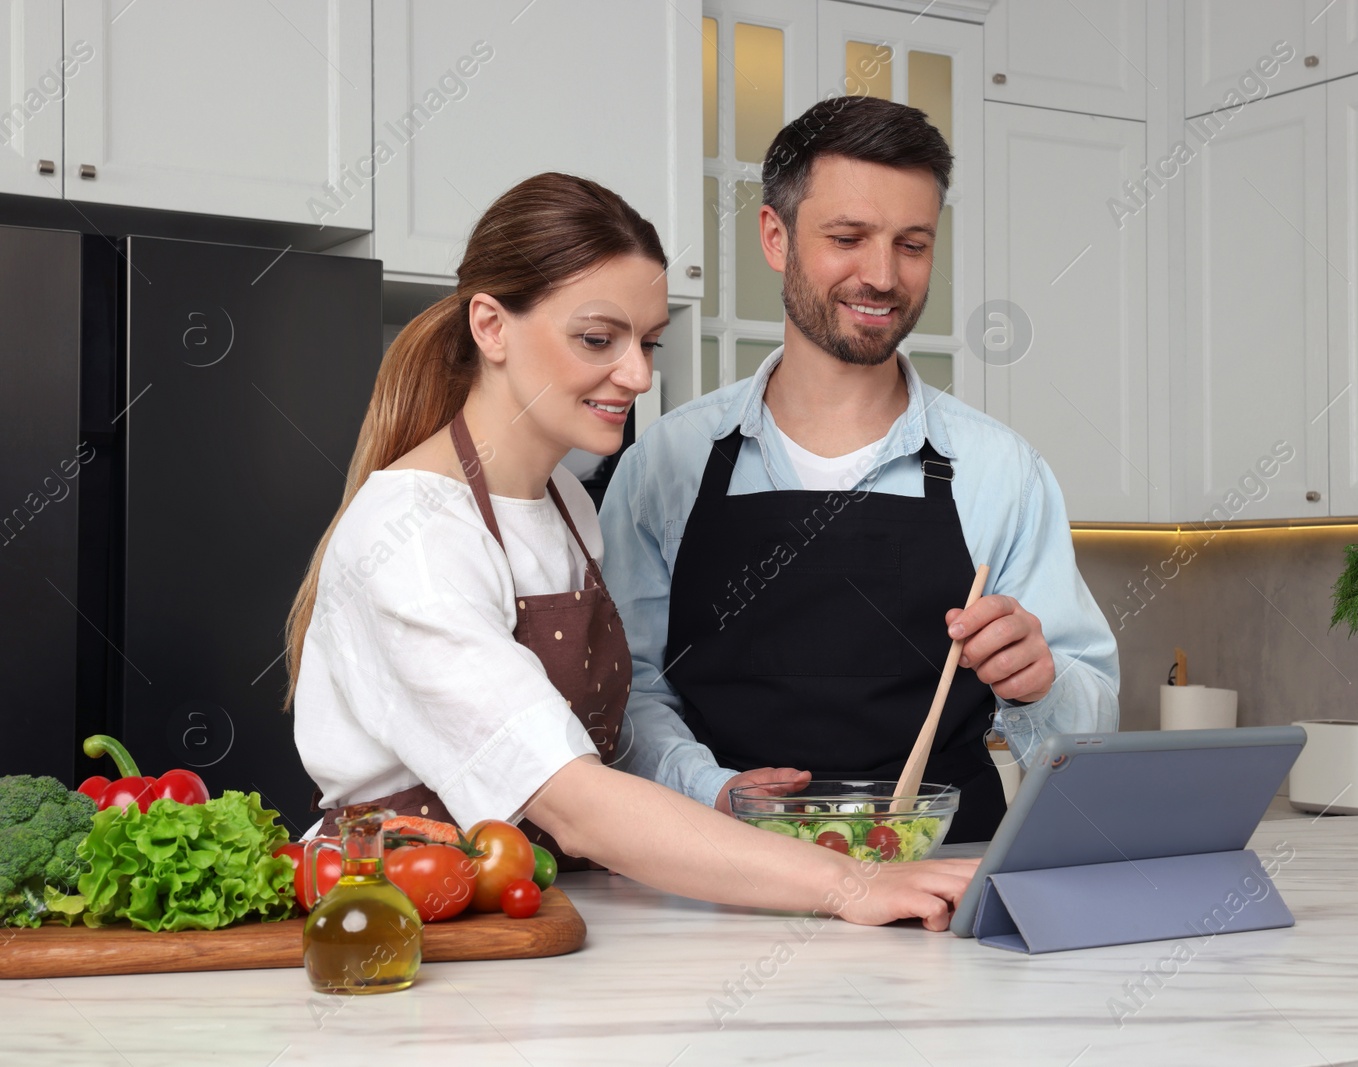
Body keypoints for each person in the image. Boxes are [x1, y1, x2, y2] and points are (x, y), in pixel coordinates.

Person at [285, 173, 974, 927]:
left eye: (646, 342)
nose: (639, 375)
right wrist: (850, 885)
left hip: (533, 908)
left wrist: (714, 791)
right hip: (401, 922)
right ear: (490, 326)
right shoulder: (413, 533)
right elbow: (573, 801)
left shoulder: (568, 502)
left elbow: (600, 742)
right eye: (597, 339)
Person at [600, 97, 1120, 843]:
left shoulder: (1001, 469)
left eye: (913, 244)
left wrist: (1042, 685)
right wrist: (711, 789)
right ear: (775, 237)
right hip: (720, 873)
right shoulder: (665, 463)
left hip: (947, 882)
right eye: (848, 237)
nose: (882, 275)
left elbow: (1093, 720)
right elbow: (627, 695)